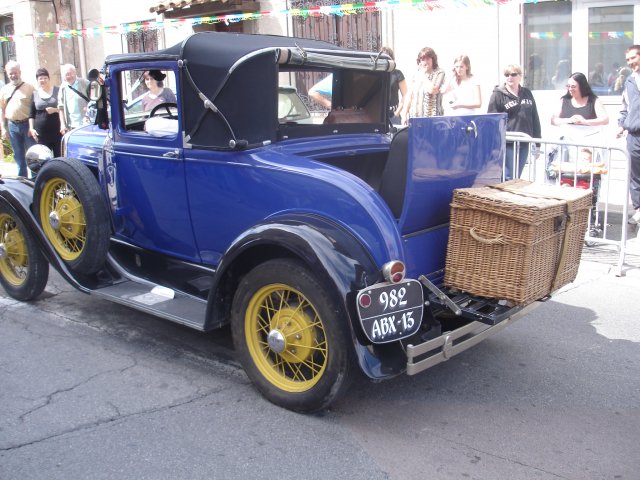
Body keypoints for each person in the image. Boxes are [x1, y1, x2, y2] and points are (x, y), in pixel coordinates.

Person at [487, 64, 541, 180]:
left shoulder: (527, 93)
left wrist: (537, 143)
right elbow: (492, 120)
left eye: (513, 74)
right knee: (508, 176)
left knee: (517, 176)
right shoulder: (498, 95)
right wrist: (495, 144)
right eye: (507, 75)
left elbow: (535, 117)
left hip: (525, 140)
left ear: (520, 76)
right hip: (508, 142)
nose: (509, 77)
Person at [617, 45, 640, 225]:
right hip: (634, 134)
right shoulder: (629, 81)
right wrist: (621, 125)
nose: (630, 63)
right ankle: (639, 210)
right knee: (635, 175)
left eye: (633, 58)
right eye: (628, 60)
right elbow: (624, 107)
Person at [0, 60, 36, 177]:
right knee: (18, 156)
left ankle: (35, 181)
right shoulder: (4, 90)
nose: (13, 75)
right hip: (12, 126)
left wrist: (33, 127)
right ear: (7, 74)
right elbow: (2, 110)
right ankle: (22, 181)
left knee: (32, 155)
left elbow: (36, 107)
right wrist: (3, 128)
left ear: (20, 72)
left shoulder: (30, 88)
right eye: (10, 73)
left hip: (27, 126)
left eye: (15, 72)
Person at [400, 47, 445, 124]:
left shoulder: (439, 73)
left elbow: (432, 90)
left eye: (428, 59)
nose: (425, 62)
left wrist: (423, 74)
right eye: (423, 59)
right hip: (415, 118)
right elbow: (409, 96)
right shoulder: (416, 74)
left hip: (432, 119)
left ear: (433, 60)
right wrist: (404, 114)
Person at [28, 68, 62, 157]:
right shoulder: (35, 94)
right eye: (40, 78)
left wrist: (55, 110)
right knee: (43, 158)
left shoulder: (58, 91)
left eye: (45, 78)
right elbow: (31, 114)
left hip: (57, 131)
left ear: (49, 78)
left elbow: (65, 109)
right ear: (37, 81)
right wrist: (31, 129)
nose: (43, 80)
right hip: (41, 134)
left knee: (59, 157)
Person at [58, 63, 90, 133]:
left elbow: (95, 98)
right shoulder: (63, 87)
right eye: (67, 74)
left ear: (75, 73)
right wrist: (62, 125)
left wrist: (89, 108)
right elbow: (61, 108)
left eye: (71, 73)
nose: (70, 76)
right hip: (71, 126)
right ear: (64, 76)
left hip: (86, 123)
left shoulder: (85, 83)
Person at [380, 47, 407, 124]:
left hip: (393, 115)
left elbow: (405, 95)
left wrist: (397, 113)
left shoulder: (397, 73)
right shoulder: (377, 74)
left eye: (387, 58)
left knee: (395, 136)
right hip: (380, 116)